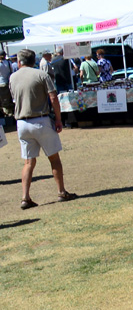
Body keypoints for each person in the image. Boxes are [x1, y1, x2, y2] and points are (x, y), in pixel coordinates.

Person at [9, 49, 77, 210]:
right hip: (41, 119)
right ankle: (61, 191)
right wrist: (59, 119)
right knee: (54, 158)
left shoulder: (13, 77)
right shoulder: (41, 75)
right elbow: (53, 97)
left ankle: (25, 197)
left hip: (22, 123)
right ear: (34, 61)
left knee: (28, 161)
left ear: (19, 62)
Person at [0, 49, 13, 119]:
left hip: (1, 83)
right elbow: (11, 71)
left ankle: (6, 114)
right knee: (7, 100)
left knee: (3, 100)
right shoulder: (8, 62)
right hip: (7, 83)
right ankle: (9, 114)